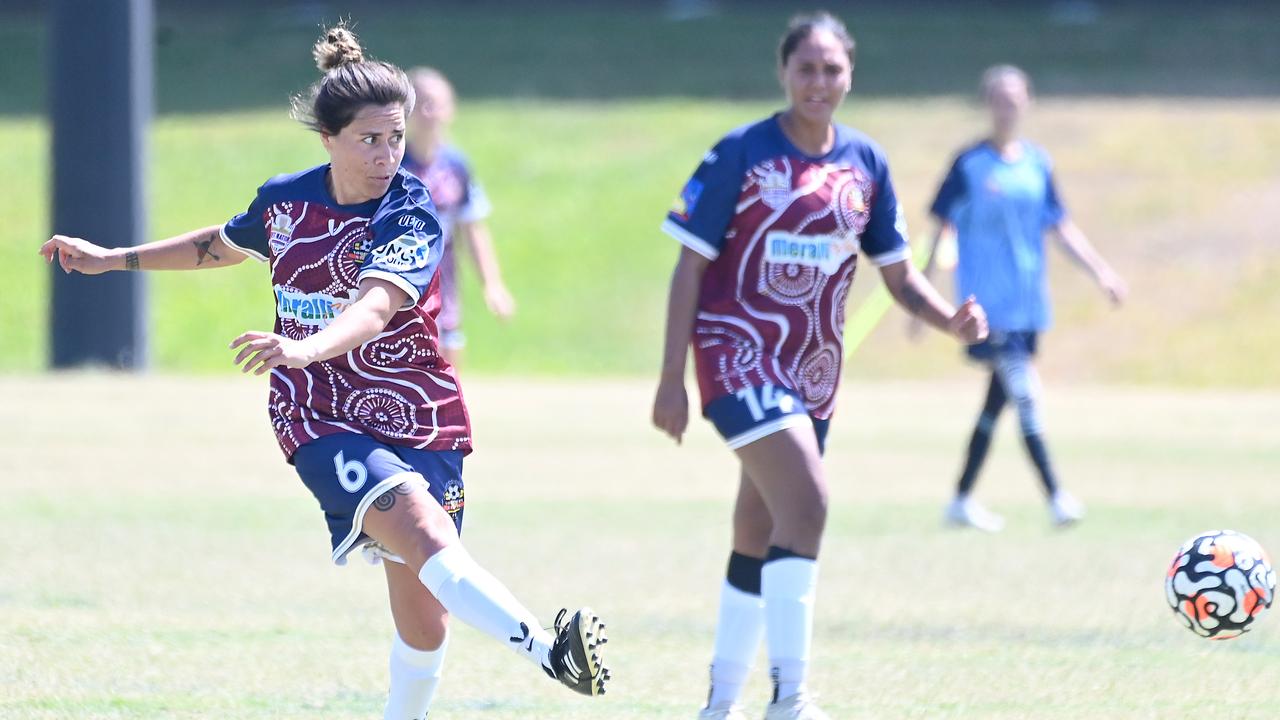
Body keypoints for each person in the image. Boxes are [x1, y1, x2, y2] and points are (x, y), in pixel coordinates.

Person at [40, 23, 607, 719]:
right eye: (370, 139)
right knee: (428, 538)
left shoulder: (410, 208)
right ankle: (549, 651)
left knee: (426, 617)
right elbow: (217, 245)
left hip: (416, 414)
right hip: (319, 413)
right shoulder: (286, 201)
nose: (387, 154)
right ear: (328, 139)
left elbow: (374, 307)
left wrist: (307, 344)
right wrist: (114, 257)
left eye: (396, 138)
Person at [651, 12, 988, 720]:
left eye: (832, 69)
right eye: (806, 68)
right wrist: (670, 379)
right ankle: (792, 700)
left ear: (850, 75)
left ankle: (719, 704)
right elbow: (689, 267)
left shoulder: (865, 163)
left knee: (759, 528)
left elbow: (897, 275)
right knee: (809, 501)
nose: (818, 81)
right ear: (783, 73)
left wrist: (949, 320)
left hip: (811, 375)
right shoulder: (740, 154)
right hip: (735, 354)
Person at [914, 65, 1127, 532]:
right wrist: (921, 300)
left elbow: (1061, 227)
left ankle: (960, 500)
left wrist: (1101, 273)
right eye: (998, 99)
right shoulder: (968, 164)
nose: (1007, 108)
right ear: (986, 104)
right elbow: (939, 230)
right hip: (985, 310)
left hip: (1029, 306)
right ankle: (1056, 497)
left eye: (1015, 99)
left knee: (996, 403)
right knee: (1026, 394)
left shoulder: (1038, 164)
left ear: (1027, 102)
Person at [401, 67, 516, 367]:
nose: (429, 111)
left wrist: (492, 284)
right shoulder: (391, 165)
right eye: (422, 103)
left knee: (447, 365)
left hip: (443, 283)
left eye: (437, 103)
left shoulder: (456, 165)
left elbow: (473, 227)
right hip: (399, 280)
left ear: (450, 110)